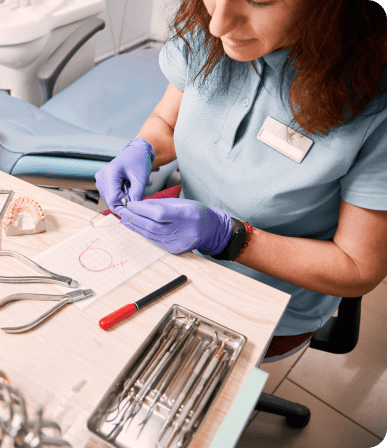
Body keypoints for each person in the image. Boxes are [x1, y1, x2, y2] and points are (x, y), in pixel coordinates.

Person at [95, 0, 387, 362]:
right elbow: (167, 123)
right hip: (179, 250)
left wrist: (230, 238)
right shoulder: (207, 31)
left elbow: (358, 268)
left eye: (259, 0)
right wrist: (142, 148)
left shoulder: (376, 104)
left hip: (269, 301)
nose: (218, 25)